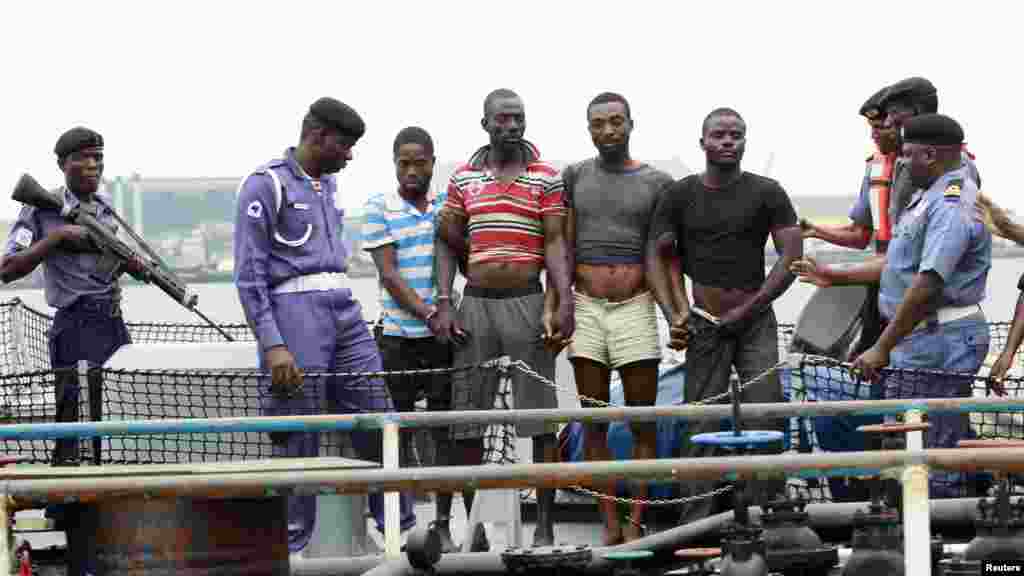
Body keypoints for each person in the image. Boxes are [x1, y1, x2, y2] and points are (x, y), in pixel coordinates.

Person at [233, 97, 415, 553]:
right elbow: (249, 275)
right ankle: (292, 546)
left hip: (343, 308)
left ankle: (402, 529)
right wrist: (273, 344)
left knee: (380, 417)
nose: (351, 155)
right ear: (319, 137)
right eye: (346, 145)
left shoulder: (328, 185)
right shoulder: (265, 185)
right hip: (294, 310)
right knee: (299, 432)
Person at [793, 114, 991, 498]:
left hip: (937, 339)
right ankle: (918, 537)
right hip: (918, 340)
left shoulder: (951, 204)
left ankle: (940, 543)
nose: (901, 162)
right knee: (907, 445)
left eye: (908, 154)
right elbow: (898, 264)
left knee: (931, 453)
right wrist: (833, 275)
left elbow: (928, 283)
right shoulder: (927, 197)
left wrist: (882, 345)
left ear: (930, 154)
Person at [648, 107, 802, 525]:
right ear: (703, 143)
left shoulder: (767, 191)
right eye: (719, 135)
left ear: (745, 141)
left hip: (755, 322)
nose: (728, 141)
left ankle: (768, 517)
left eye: (736, 134)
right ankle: (695, 522)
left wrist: (750, 308)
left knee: (765, 416)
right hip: (703, 324)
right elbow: (660, 257)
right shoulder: (680, 195)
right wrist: (676, 314)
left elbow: (792, 256)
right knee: (702, 420)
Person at [434, 88, 574, 548]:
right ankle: (474, 532)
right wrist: (444, 301)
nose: (510, 126)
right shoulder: (463, 178)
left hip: (528, 302)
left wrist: (562, 301)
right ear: (485, 124)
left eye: (518, 119)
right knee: (468, 422)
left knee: (539, 421)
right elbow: (447, 240)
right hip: (474, 304)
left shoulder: (546, 178)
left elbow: (555, 243)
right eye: (502, 119)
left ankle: (546, 525)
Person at [0, 126, 142, 576]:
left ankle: (112, 517)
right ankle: (71, 521)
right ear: (62, 164)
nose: (93, 167)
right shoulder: (39, 210)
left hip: (111, 324)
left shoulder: (104, 211)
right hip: (75, 324)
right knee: (72, 428)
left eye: (99, 158)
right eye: (83, 158)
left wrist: (134, 263)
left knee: (113, 424)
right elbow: (8, 268)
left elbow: (124, 263)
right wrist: (57, 239)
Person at [561, 92, 673, 543]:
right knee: (595, 421)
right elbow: (563, 249)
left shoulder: (657, 182)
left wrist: (676, 313)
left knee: (643, 419)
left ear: (631, 124)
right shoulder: (574, 177)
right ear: (588, 129)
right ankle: (609, 523)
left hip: (636, 307)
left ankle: (636, 519)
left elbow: (665, 257)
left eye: (615, 122)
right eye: (598, 124)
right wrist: (559, 306)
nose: (607, 131)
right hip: (586, 307)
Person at [362, 126, 457, 551]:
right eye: (404, 163)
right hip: (399, 337)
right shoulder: (378, 207)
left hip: (442, 337)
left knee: (443, 432)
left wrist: (443, 314)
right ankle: (397, 528)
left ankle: (442, 524)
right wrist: (428, 313)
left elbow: (460, 256)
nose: (412, 170)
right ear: (395, 164)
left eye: (420, 162)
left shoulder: (446, 206)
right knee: (395, 434)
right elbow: (389, 274)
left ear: (433, 163)